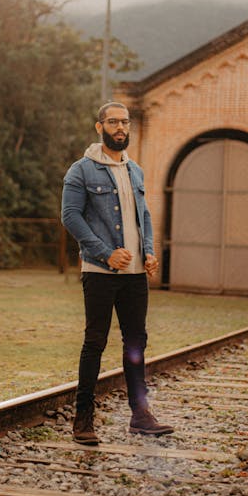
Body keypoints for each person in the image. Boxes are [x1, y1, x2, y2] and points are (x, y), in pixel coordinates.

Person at [61, 101, 174, 445]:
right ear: (100, 127)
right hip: (99, 271)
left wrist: (149, 251)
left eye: (124, 122)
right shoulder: (81, 170)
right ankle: (84, 420)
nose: (120, 127)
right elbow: (71, 216)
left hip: (135, 276)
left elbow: (146, 216)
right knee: (95, 342)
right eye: (113, 122)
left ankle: (141, 416)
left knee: (136, 342)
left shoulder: (135, 170)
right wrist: (105, 253)